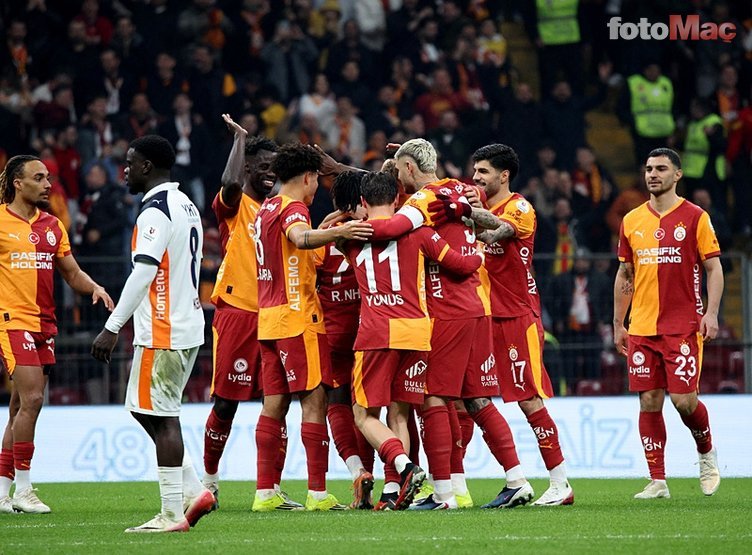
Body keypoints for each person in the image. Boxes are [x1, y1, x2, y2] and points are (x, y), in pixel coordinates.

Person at [364, 139, 531, 511]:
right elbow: (475, 207)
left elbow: (391, 227)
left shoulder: (423, 201)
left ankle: (443, 495)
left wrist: (348, 231)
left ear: (409, 168)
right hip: (476, 305)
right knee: (476, 399)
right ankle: (516, 480)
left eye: (400, 170)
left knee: (433, 398)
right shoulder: (459, 189)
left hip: (447, 310)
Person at [91, 135, 214, 532]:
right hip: (186, 323)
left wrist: (112, 327)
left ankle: (172, 513)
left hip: (164, 328)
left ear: (147, 166)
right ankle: (194, 489)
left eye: (130, 163)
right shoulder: (185, 203)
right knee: (145, 409)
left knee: (162, 418)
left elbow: (144, 272)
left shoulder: (155, 211)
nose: (124, 171)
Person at [341, 170, 483, 511]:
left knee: (362, 414)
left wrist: (342, 221)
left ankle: (404, 467)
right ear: (396, 200)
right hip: (416, 331)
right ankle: (394, 490)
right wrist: (479, 251)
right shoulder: (421, 233)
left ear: (362, 201)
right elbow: (460, 265)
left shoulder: (349, 236)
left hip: (376, 331)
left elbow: (332, 234)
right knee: (400, 413)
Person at [253, 142, 372, 512]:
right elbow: (300, 238)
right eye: (316, 180)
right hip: (298, 318)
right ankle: (318, 493)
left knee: (273, 405)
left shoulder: (265, 208)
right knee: (315, 400)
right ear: (307, 177)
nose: (317, 188)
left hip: (268, 320)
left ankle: (265, 492)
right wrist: (341, 232)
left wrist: (324, 230)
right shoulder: (293, 209)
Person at [456, 143, 574, 506]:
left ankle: (560, 483)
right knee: (466, 398)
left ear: (504, 175)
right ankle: (452, 486)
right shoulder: (476, 205)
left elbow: (499, 232)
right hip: (480, 318)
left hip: (515, 318)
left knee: (528, 401)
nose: (476, 177)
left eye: (483, 172)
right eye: (474, 171)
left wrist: (471, 215)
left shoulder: (519, 207)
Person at [0, 155, 114, 514]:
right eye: (39, 178)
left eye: (48, 177)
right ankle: (24, 488)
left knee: (20, 407)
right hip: (12, 321)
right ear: (18, 183)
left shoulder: (53, 225)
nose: (48, 184)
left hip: (45, 324)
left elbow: (72, 273)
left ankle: (2, 492)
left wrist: (95, 287)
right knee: (34, 399)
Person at [613, 148, 722, 499]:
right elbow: (625, 273)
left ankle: (706, 453)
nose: (652, 174)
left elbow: (714, 268)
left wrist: (712, 313)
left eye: (661, 168)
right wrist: (618, 323)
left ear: (677, 174)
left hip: (682, 325)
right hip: (642, 327)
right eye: (648, 169)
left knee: (684, 401)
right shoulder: (631, 220)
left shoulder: (695, 217)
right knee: (649, 400)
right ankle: (657, 480)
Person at [201, 116, 291, 508]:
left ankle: (270, 488)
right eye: (264, 166)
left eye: (276, 167)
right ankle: (208, 482)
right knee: (226, 403)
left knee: (277, 403)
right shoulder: (235, 206)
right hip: (237, 312)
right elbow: (230, 183)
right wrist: (240, 139)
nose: (271, 173)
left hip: (275, 316)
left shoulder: (280, 210)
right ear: (248, 167)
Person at [316, 171, 374, 510]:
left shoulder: (324, 232)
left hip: (332, 331)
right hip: (370, 328)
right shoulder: (378, 227)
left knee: (336, 403)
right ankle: (392, 478)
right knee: (368, 407)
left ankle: (357, 471)